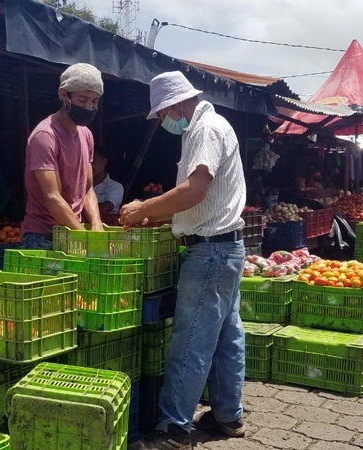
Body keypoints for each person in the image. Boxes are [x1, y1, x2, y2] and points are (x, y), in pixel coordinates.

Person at [119, 71, 246, 449]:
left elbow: (194, 189)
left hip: (209, 250)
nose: (163, 122)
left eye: (161, 115)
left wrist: (145, 208)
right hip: (226, 249)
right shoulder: (209, 126)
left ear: (175, 105)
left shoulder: (206, 129)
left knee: (191, 340)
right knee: (226, 336)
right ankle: (227, 415)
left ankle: (172, 431)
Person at [20, 63, 105, 249]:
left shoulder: (86, 135)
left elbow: (88, 190)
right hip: (42, 238)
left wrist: (97, 225)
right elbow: (52, 197)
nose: (89, 107)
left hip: (73, 234)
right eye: (83, 100)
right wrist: (87, 239)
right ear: (63, 95)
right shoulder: (45, 136)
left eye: (94, 102)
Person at [91, 146, 124, 215]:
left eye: (93, 161)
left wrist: (82, 207)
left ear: (104, 162)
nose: (90, 165)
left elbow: (105, 209)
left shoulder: (115, 186)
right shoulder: (80, 186)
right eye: (87, 162)